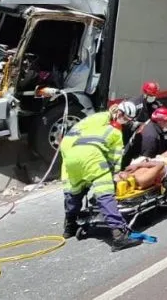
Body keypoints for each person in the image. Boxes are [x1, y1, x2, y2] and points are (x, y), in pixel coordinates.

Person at [60, 100, 142, 252]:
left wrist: (68, 157)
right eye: (124, 118)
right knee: (105, 194)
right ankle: (119, 237)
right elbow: (115, 159)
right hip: (91, 157)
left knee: (73, 191)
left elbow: (73, 134)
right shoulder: (115, 133)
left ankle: (69, 227)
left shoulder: (96, 121)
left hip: (71, 155)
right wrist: (113, 175)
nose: (123, 120)